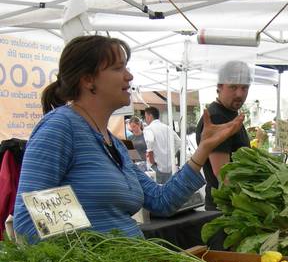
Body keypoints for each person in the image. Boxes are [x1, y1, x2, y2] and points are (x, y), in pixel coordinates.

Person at [13, 35, 242, 242]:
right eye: (118, 68)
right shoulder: (60, 127)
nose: (129, 76)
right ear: (88, 80)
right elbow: (29, 221)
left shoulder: (112, 143)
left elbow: (161, 201)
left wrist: (203, 149)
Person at [196, 60, 252, 212]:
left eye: (244, 88)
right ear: (220, 86)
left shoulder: (230, 115)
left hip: (231, 204)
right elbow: (223, 173)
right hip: (225, 208)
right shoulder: (217, 117)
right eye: (233, 87)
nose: (239, 94)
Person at [143, 106, 179, 185]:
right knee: (168, 192)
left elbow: (149, 141)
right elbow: (178, 142)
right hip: (169, 166)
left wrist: (151, 159)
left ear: (150, 116)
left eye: (145, 116)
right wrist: (171, 154)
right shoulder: (167, 127)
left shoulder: (148, 128)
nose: (145, 119)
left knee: (156, 192)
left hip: (156, 166)